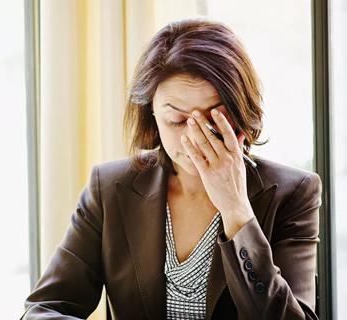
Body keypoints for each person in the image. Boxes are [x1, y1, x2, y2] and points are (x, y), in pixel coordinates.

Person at [20, 18, 322, 320]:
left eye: (214, 118)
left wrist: (236, 210)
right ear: (151, 114)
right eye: (177, 121)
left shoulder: (294, 192)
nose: (194, 137)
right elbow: (45, 309)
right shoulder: (110, 187)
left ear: (240, 112)